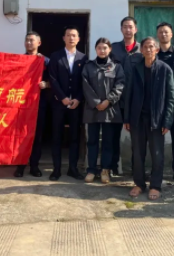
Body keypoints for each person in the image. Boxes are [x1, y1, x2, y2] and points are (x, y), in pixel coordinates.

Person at [124, 37, 174, 200]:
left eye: (151, 47)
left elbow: (171, 97)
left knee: (157, 154)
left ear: (157, 49)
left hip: (157, 119)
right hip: (137, 117)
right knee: (138, 153)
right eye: (145, 47)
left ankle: (155, 185)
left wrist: (167, 120)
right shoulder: (136, 69)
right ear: (141, 50)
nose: (148, 49)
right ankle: (139, 183)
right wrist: (127, 118)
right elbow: (128, 94)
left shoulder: (165, 69)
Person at [81, 38, 125, 184]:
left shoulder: (116, 67)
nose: (102, 50)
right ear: (96, 49)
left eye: (105, 48)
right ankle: (91, 170)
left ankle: (105, 170)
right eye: (99, 48)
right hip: (92, 110)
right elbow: (85, 86)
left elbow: (120, 85)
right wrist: (96, 102)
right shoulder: (88, 66)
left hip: (110, 110)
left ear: (110, 49)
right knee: (92, 141)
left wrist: (108, 101)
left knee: (108, 142)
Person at [48, 26, 87, 181]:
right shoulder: (55, 56)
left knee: (75, 137)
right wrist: (62, 97)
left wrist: (78, 98)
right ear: (63, 38)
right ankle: (56, 169)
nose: (71, 38)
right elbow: (52, 79)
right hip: (59, 103)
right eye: (68, 35)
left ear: (78, 39)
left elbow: (85, 81)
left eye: (74, 35)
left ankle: (73, 168)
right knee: (56, 136)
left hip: (76, 104)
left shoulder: (83, 58)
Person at [14, 31, 51, 178]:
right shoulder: (19, 60)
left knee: (37, 136)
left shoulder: (45, 61)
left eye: (32, 40)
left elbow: (55, 80)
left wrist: (46, 84)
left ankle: (34, 166)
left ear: (39, 43)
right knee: (20, 135)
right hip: (20, 104)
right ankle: (20, 166)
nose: (29, 43)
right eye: (27, 40)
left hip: (39, 104)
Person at [110, 16, 142, 175]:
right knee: (113, 136)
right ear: (121, 29)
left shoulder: (142, 49)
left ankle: (137, 169)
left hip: (136, 100)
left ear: (135, 29)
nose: (128, 30)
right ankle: (113, 167)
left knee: (137, 137)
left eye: (130, 27)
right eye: (125, 27)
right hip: (116, 100)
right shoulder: (113, 48)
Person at [156, 22, 174, 184]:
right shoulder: (154, 53)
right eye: (161, 32)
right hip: (156, 103)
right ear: (157, 35)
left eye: (166, 32)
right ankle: (156, 171)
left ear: (172, 34)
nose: (163, 34)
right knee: (155, 138)